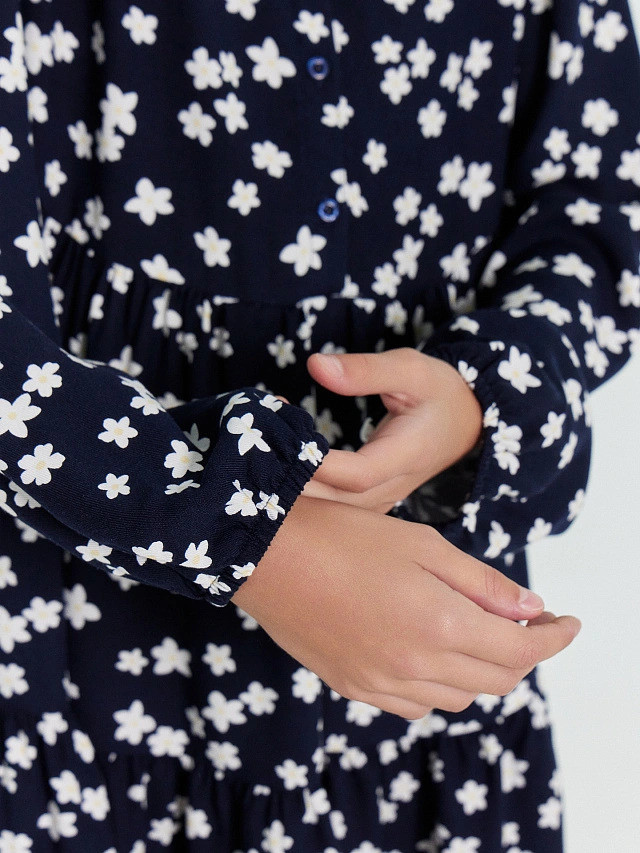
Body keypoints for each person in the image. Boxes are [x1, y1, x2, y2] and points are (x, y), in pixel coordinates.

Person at [0, 1, 638, 850]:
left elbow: (593, 204)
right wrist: (249, 537)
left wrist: (480, 393)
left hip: (414, 652)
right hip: (82, 647)